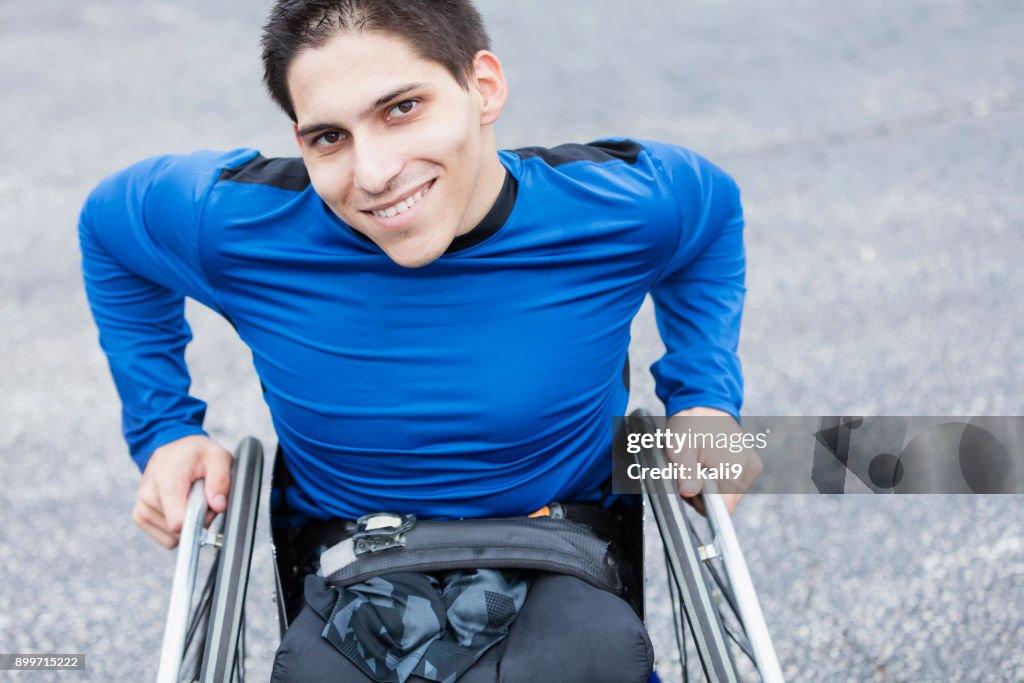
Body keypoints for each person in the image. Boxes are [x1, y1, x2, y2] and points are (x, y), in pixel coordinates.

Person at [78, 1, 757, 680]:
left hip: (564, 541)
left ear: (482, 87)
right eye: (328, 137)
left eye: (401, 108)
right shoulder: (236, 225)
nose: (372, 173)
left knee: (591, 655)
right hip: (353, 565)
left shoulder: (615, 207)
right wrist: (164, 429)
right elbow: (108, 230)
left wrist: (705, 398)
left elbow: (712, 214)